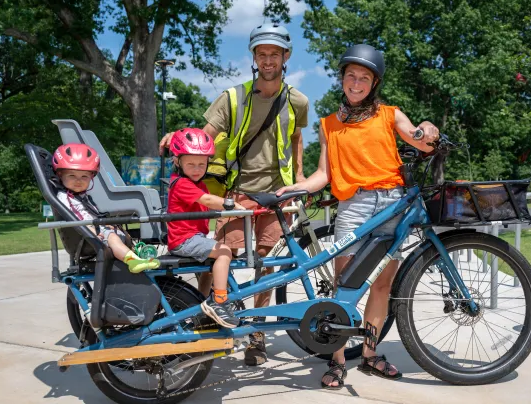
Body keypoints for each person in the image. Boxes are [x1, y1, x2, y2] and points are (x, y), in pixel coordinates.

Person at [276, 44, 439, 389]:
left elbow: (421, 140)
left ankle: (369, 354)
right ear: (342, 79)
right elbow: (324, 174)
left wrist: (427, 128)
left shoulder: (390, 114)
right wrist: (298, 187)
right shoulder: (329, 125)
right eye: (350, 75)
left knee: (382, 284)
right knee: (344, 286)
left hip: (392, 203)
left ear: (374, 83)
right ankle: (337, 361)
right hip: (354, 205)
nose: (356, 82)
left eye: (364, 77)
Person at [160, 23, 309, 365]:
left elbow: (296, 138)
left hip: (277, 194)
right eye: (261, 54)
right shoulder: (233, 98)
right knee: (215, 258)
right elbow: (204, 136)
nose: (268, 60)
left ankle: (256, 336)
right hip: (238, 191)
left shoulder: (298, 100)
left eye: (274, 54)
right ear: (254, 57)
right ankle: (200, 320)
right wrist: (179, 136)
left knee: (267, 264)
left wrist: (299, 177)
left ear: (286, 56)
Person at [166, 128, 247, 328]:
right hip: (184, 240)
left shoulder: (198, 184)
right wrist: (233, 205)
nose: (197, 169)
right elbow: (208, 201)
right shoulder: (181, 183)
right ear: (177, 161)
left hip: (193, 237)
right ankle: (219, 301)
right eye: (191, 164)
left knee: (212, 266)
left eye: (202, 164)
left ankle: (200, 303)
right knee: (224, 252)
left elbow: (206, 205)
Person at [53, 143, 160, 273]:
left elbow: (90, 214)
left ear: (91, 177)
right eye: (72, 176)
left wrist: (105, 224)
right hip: (86, 236)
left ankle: (136, 256)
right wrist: (94, 230)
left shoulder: (81, 196)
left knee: (119, 230)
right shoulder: (64, 198)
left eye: (84, 176)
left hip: (92, 230)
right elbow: (75, 219)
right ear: (60, 174)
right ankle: (133, 262)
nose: (78, 180)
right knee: (112, 237)